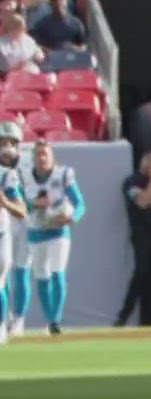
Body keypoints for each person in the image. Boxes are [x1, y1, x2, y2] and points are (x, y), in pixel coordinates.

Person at [22, 139, 83, 335]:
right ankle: (50, 319)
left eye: (45, 154)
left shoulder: (63, 174)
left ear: (52, 156)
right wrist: (34, 205)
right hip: (36, 231)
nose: (41, 159)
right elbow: (20, 205)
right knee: (42, 277)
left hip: (58, 232)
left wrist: (71, 217)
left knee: (58, 272)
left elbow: (80, 203)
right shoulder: (25, 176)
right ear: (33, 158)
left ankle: (55, 320)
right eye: (38, 155)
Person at [118, 151, 151, 327]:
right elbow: (141, 201)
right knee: (142, 272)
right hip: (142, 233)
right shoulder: (131, 181)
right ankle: (124, 316)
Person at [0, 125, 22, 341]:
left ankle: (6, 324)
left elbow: (22, 209)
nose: (6, 148)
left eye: (11, 143)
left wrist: (5, 202)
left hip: (5, 229)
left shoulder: (7, 175)